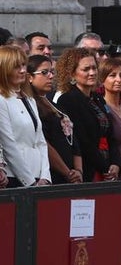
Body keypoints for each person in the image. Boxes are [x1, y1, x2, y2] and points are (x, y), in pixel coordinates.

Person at [55, 47, 121, 182]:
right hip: (88, 169)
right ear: (72, 74)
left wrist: (115, 163)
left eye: (94, 68)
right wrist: (105, 167)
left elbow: (110, 135)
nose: (92, 72)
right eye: (86, 69)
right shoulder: (68, 100)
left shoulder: (98, 98)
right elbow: (82, 141)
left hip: (108, 166)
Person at [0, 45, 51, 187]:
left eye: (24, 65)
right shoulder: (2, 101)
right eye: (16, 67)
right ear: (4, 69)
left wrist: (45, 176)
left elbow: (40, 141)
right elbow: (8, 144)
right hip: (15, 177)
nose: (23, 70)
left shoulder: (30, 100)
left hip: (38, 176)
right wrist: (30, 182)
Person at [26, 55, 82, 184]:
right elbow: (44, 143)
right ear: (29, 77)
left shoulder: (55, 105)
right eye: (44, 72)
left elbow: (74, 140)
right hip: (53, 173)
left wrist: (78, 170)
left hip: (72, 172)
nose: (51, 76)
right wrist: (67, 172)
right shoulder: (31, 106)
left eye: (52, 72)